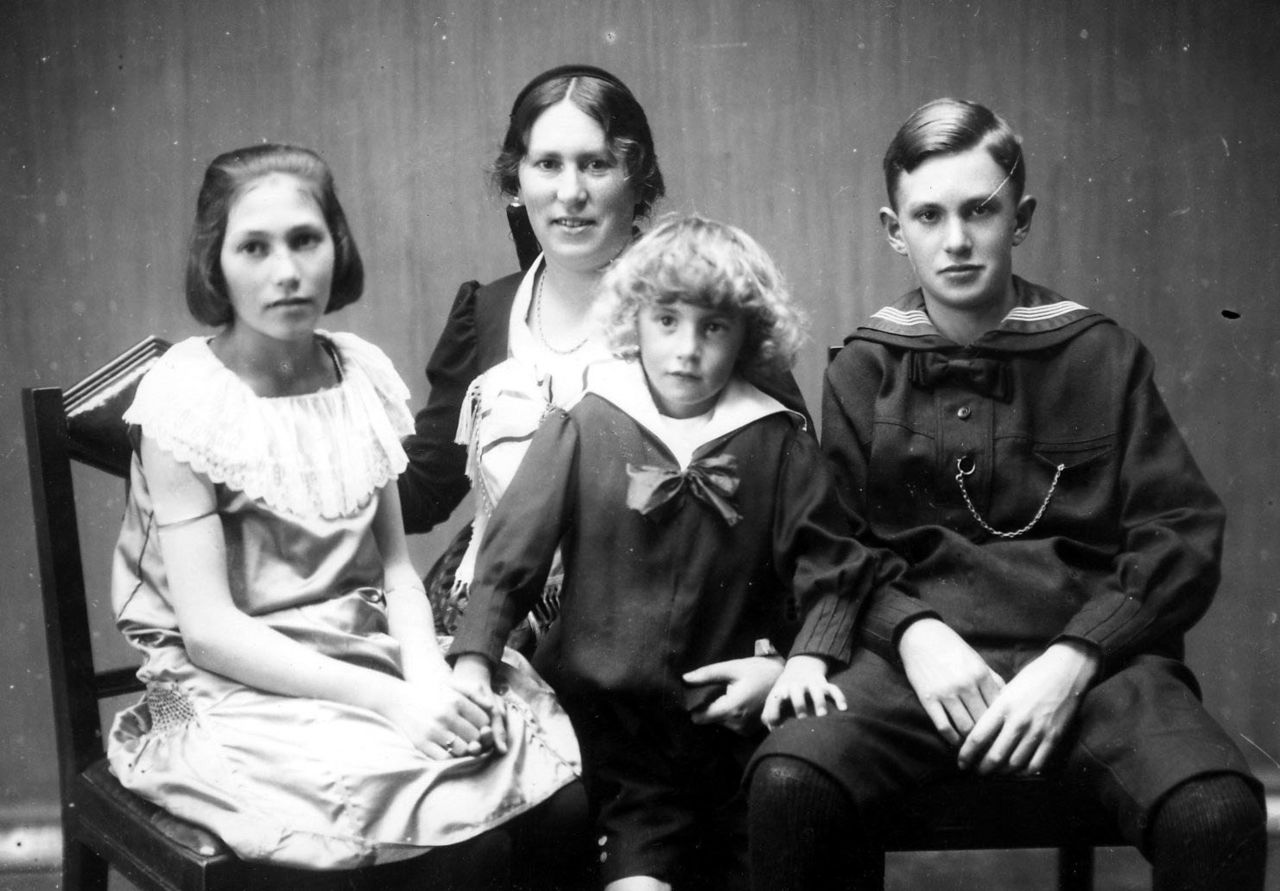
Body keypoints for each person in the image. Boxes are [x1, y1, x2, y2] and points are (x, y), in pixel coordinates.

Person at [746, 98, 1267, 891]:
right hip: (912, 669)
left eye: (980, 210)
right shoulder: (862, 369)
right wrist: (914, 634)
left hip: (1092, 667)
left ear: (1019, 219)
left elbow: (1181, 530)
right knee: (792, 783)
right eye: (929, 215)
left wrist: (1078, 654)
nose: (956, 239)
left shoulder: (1102, 354)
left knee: (1216, 811)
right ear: (895, 230)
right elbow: (836, 546)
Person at [106, 143, 589, 887]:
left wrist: (426, 681)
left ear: (337, 244)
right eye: (254, 247)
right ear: (214, 262)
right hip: (215, 685)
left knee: (542, 788)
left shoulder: (356, 374)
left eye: (306, 239)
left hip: (361, 649)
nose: (287, 271)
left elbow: (396, 571)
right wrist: (396, 702)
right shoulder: (184, 397)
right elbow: (207, 631)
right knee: (446, 832)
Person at [450, 214, 890, 891]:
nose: (687, 349)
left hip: (729, 732)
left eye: (713, 327)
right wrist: (475, 661)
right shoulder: (586, 422)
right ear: (634, 321)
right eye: (666, 321)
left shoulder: (777, 440)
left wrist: (805, 660)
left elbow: (832, 567)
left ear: (748, 336)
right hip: (611, 735)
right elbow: (512, 554)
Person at [398, 63, 805, 717]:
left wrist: (782, 656)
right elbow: (425, 485)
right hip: (493, 608)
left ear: (637, 179)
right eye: (547, 165)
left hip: (659, 625)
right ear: (516, 181)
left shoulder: (701, 311)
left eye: (596, 164)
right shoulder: (487, 312)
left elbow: (789, 493)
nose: (570, 192)